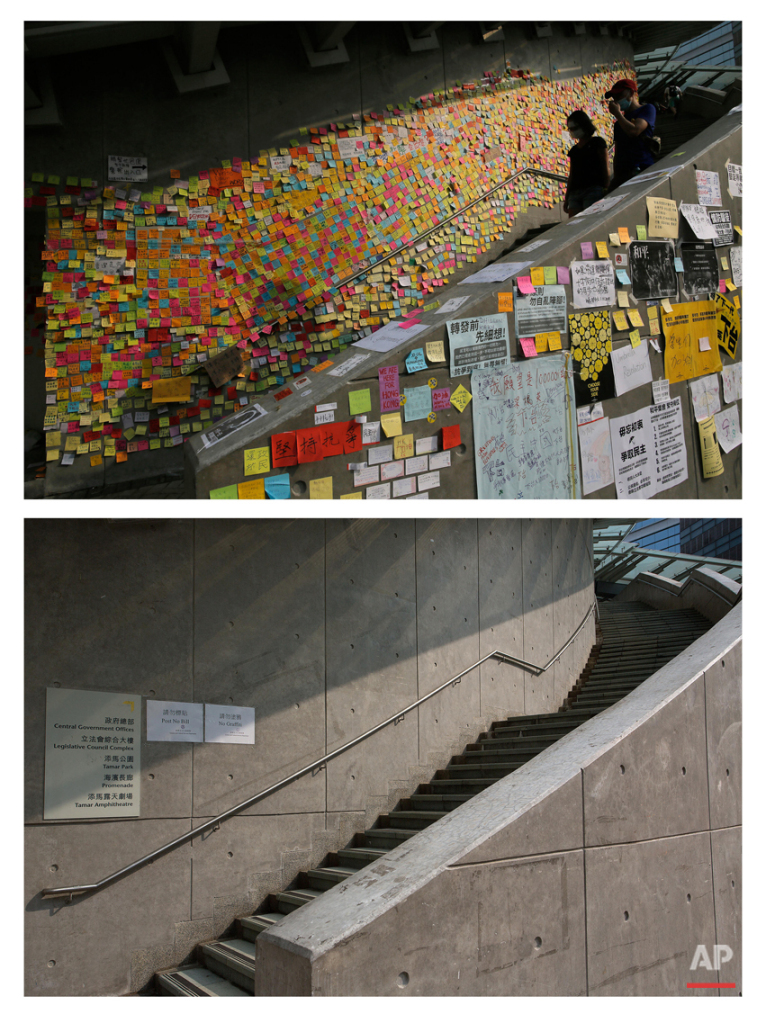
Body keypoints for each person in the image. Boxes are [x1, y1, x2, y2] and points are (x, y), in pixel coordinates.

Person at [604, 78, 656, 191]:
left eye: (619, 95)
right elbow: (617, 152)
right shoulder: (619, 124)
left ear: (631, 93)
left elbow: (635, 131)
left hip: (641, 168)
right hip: (623, 173)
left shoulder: (647, 109)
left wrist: (618, 114)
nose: (616, 100)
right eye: (614, 97)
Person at [563, 109, 610, 217]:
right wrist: (567, 198)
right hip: (575, 192)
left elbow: (605, 166)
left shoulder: (597, 143)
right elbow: (572, 174)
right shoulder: (574, 150)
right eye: (570, 129)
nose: (572, 131)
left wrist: (606, 187)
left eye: (574, 128)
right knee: (574, 224)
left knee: (590, 220)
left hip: (593, 189)